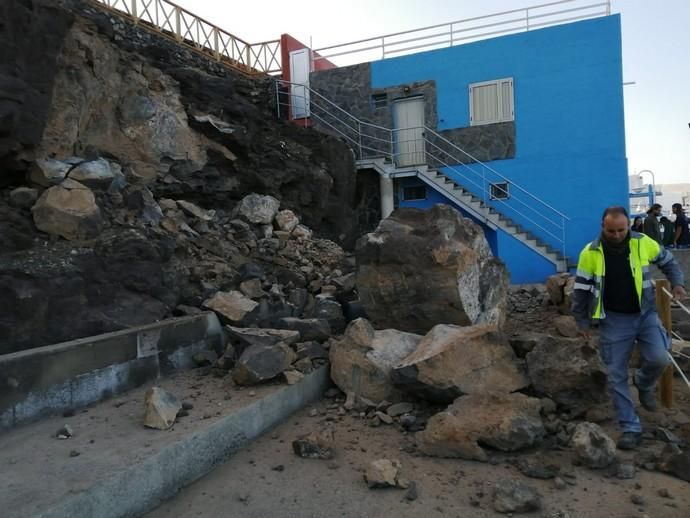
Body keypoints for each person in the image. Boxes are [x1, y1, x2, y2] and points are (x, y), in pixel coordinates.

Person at [572, 206, 686, 450]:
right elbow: (580, 290)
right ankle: (630, 427)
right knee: (616, 376)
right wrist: (581, 321)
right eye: (611, 231)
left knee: (659, 358)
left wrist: (677, 283)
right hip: (613, 320)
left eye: (621, 230)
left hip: (645, 315)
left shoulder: (642, 242)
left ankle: (644, 382)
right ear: (603, 226)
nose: (616, 235)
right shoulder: (589, 253)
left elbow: (668, 261)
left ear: (629, 226)